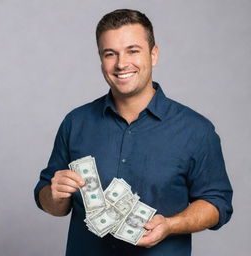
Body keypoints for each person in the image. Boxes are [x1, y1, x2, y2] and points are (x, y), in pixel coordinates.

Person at [34, 9, 233, 256]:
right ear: (101, 59)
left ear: (154, 54)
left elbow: (217, 203)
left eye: (133, 51)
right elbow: (51, 203)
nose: (121, 64)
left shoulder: (196, 130)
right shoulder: (76, 122)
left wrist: (170, 225)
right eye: (110, 54)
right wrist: (56, 195)